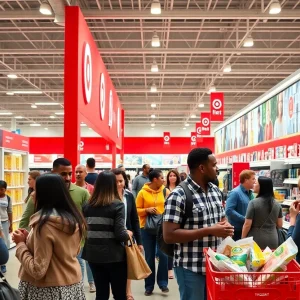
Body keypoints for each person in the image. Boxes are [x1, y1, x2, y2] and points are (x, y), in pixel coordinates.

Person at [163, 148, 234, 300]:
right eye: (214, 165)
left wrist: (225, 226)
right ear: (202, 168)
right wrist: (209, 230)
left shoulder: (215, 191)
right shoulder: (178, 195)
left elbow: (221, 219)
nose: (217, 169)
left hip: (215, 266)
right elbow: (169, 235)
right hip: (190, 267)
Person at [12, 174, 87, 300]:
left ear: (45, 195)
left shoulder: (44, 225)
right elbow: (68, 251)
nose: (32, 194)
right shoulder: (74, 221)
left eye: (35, 190)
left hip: (46, 291)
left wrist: (20, 244)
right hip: (72, 286)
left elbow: (38, 270)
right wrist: (29, 240)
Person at [82, 171, 130, 300]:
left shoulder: (87, 205)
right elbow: (120, 234)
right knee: (119, 293)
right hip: (114, 256)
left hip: (93, 255)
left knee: (101, 293)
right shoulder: (117, 205)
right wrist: (128, 234)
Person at [136, 169, 170, 296]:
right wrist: (147, 210)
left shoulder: (166, 191)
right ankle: (149, 286)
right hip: (146, 228)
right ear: (155, 179)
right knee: (149, 257)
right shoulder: (142, 193)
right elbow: (136, 210)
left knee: (163, 255)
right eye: (161, 178)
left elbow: (171, 206)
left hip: (162, 228)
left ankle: (163, 284)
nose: (163, 180)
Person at [112, 168, 143, 300]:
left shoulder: (129, 196)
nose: (119, 184)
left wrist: (139, 241)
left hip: (128, 236)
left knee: (128, 264)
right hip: (113, 237)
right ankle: (115, 291)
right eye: (116, 181)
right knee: (114, 268)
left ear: (125, 180)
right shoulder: (108, 197)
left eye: (121, 181)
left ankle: (128, 291)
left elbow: (134, 219)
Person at [241, 177, 283, 249]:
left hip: (256, 239)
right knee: (270, 260)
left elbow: (247, 224)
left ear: (261, 186)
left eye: (256, 183)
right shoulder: (277, 204)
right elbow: (280, 225)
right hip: (273, 239)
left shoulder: (253, 203)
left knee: (256, 259)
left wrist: (242, 239)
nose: (254, 184)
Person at [74, 164, 95, 293]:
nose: (78, 174)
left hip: (88, 226)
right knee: (79, 256)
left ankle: (92, 282)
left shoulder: (91, 189)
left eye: (80, 172)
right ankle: (79, 283)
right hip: (74, 228)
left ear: (85, 174)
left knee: (89, 257)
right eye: (76, 172)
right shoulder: (69, 188)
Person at [225, 170, 256, 241]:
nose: (255, 181)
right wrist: (244, 219)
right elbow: (229, 210)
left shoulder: (250, 194)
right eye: (253, 179)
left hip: (248, 229)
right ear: (246, 180)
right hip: (237, 230)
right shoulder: (235, 193)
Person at [165, 169, 181, 280]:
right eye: (170, 175)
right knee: (169, 246)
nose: (172, 177)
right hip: (168, 220)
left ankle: (176, 266)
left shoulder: (181, 189)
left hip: (179, 221)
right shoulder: (164, 190)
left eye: (174, 175)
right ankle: (169, 269)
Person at [0, 180, 12, 274]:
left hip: (4, 222)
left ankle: (3, 264)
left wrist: (10, 223)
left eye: (2, 189)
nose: (0, 191)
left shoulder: (8, 198)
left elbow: (10, 211)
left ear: (5, 189)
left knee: (4, 243)